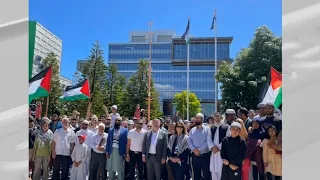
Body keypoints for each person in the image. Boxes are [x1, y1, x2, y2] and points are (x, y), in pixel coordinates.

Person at [187, 113, 210, 180]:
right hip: (195, 156)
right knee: (196, 175)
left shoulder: (207, 129)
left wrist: (199, 149)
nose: (196, 119)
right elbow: (189, 140)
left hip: (204, 155)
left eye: (198, 118)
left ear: (202, 119)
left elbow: (208, 141)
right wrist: (194, 149)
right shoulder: (192, 130)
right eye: (196, 118)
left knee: (206, 174)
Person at [207, 112, 230, 180]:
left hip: (221, 152)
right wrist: (212, 147)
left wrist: (219, 148)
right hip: (213, 152)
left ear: (221, 117)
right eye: (215, 117)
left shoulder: (227, 127)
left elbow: (227, 138)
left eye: (218, 116)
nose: (217, 118)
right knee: (213, 171)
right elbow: (208, 138)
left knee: (221, 170)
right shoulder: (211, 127)